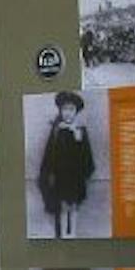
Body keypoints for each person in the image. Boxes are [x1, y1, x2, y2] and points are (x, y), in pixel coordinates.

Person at [36, 90, 93, 238]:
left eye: (71, 109)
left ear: (76, 112)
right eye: (64, 109)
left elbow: (86, 155)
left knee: (73, 207)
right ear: (60, 111)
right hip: (60, 176)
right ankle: (62, 234)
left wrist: (78, 138)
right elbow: (50, 153)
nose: (67, 113)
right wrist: (47, 172)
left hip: (75, 176)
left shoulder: (80, 130)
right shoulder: (56, 130)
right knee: (61, 207)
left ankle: (72, 233)